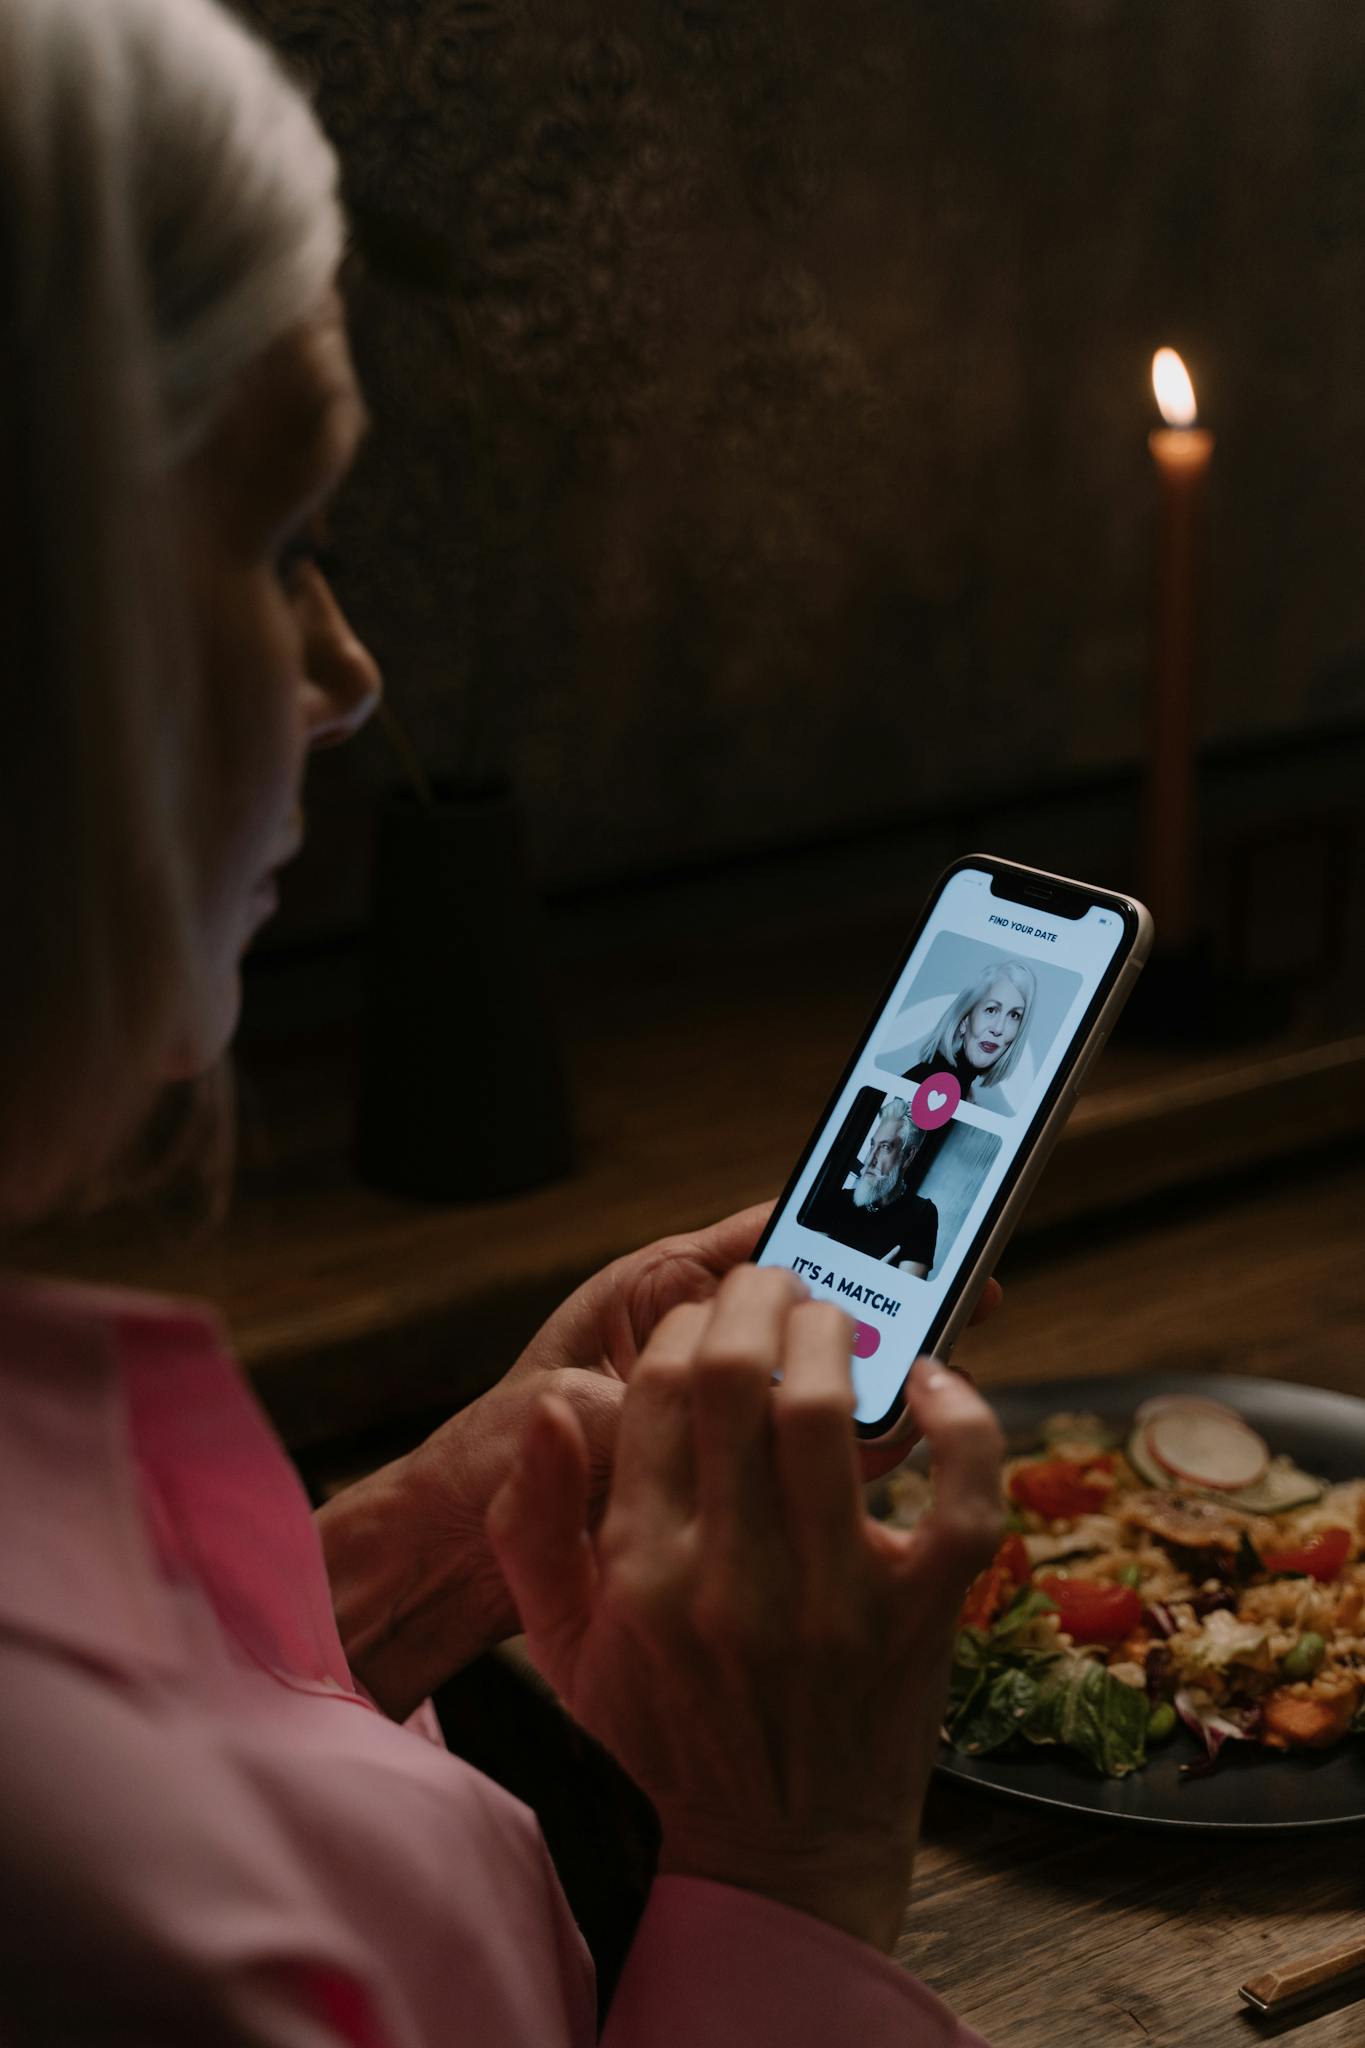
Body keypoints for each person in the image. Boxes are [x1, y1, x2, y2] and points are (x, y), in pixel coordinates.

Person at [0, 2, 1007, 2041]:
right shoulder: (102, 1918)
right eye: (279, 544)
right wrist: (789, 1852)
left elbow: (199, 1754)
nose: (347, 671)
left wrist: (401, 1561)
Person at [805, 1099, 938, 1277]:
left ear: (907, 1157)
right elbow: (807, 1266)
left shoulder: (923, 1213)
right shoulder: (838, 1200)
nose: (870, 1160)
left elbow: (906, 1293)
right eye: (872, 1146)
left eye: (884, 1147)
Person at [902, 960, 1038, 1113]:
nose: (998, 1028)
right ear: (964, 1019)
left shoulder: (959, 1088)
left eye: (1014, 1015)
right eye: (991, 1010)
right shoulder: (937, 1084)